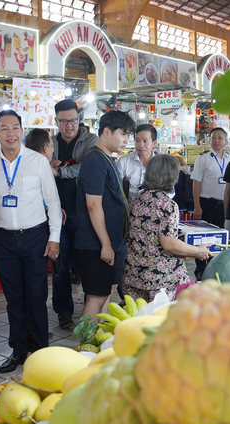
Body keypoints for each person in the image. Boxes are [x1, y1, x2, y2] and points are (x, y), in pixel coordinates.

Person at [0, 110, 61, 373]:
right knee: (13, 298)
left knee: (36, 297)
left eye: (15, 127)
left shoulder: (37, 161)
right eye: (4, 129)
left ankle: (40, 351)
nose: (10, 133)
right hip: (3, 240)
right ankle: (18, 349)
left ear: (22, 131)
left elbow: (52, 202)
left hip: (35, 237)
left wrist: (54, 238)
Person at [124, 154, 212, 301]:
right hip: (160, 278)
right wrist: (198, 251)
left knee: (139, 318)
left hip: (134, 273)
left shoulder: (140, 197)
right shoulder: (167, 204)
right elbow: (169, 244)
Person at [75, 110, 134, 318]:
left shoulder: (107, 159)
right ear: (106, 132)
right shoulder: (95, 160)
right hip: (95, 243)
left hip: (109, 241)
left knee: (108, 290)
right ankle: (86, 344)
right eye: (123, 134)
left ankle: (97, 340)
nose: (126, 140)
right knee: (96, 296)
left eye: (128, 135)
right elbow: (93, 205)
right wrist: (106, 244)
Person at [50, 99, 98, 330]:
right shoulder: (49, 142)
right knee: (59, 265)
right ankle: (63, 312)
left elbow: (88, 166)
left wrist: (60, 172)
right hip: (56, 215)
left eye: (73, 120)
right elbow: (41, 167)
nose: (69, 125)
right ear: (56, 120)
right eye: (63, 121)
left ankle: (92, 307)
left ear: (79, 118)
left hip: (83, 213)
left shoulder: (91, 140)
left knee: (88, 262)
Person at [191, 127, 230, 280]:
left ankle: (217, 271)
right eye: (214, 137)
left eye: (220, 138)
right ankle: (201, 272)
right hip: (207, 204)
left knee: (220, 240)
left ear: (225, 141)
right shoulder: (203, 158)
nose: (216, 141)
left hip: (224, 205)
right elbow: (196, 183)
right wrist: (197, 206)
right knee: (204, 239)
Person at [117, 124, 157, 202]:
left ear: (154, 143)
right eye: (137, 140)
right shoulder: (124, 162)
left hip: (154, 210)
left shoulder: (161, 164)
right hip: (128, 209)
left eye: (145, 141)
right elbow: (116, 188)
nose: (140, 145)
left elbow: (170, 192)